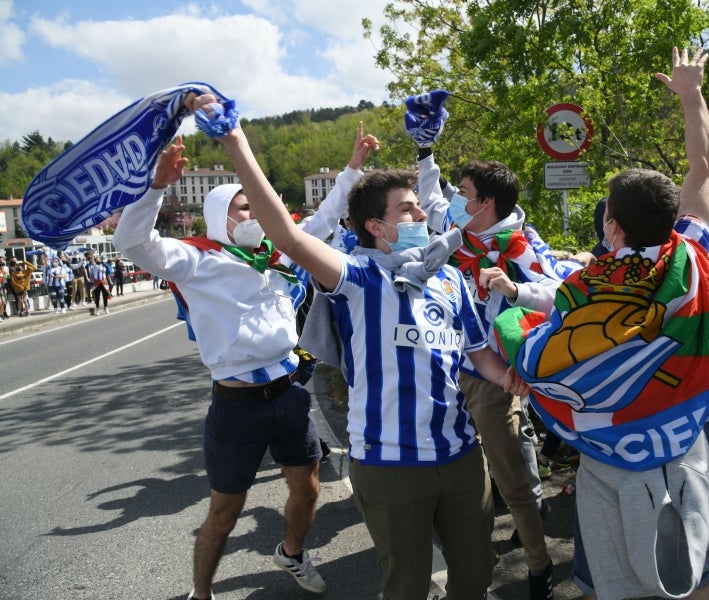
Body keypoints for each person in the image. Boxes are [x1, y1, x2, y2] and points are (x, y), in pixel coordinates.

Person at [195, 95, 529, 600]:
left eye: (418, 204)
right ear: (377, 227)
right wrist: (236, 141)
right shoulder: (357, 277)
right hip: (391, 466)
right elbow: (286, 236)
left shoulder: (449, 279)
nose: (422, 211)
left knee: (476, 578)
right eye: (408, 208)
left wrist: (508, 376)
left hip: (461, 458)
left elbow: (478, 353)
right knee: (407, 587)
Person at [494, 47, 709, 600]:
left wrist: (514, 333)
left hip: (614, 467)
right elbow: (707, 167)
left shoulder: (589, 291)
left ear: (614, 229)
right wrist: (692, 95)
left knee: (619, 584)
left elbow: (538, 356)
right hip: (682, 446)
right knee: (693, 578)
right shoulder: (691, 254)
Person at [113, 123, 378, 600]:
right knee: (225, 512)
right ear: (221, 216)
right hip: (237, 407)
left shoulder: (280, 252)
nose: (256, 213)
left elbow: (325, 217)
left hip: (290, 394)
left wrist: (354, 166)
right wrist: (155, 188)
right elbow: (133, 245)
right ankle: (201, 592)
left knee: (308, 489)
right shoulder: (197, 261)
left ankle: (292, 553)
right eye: (244, 207)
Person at [413, 123, 583, 599]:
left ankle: (538, 565)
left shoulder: (520, 245)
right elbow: (431, 200)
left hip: (493, 379)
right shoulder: (456, 235)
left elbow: (561, 293)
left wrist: (514, 289)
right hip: (444, 374)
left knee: (513, 482)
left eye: (463, 193)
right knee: (455, 482)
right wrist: (425, 150)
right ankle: (477, 557)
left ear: (484, 203)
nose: (453, 200)